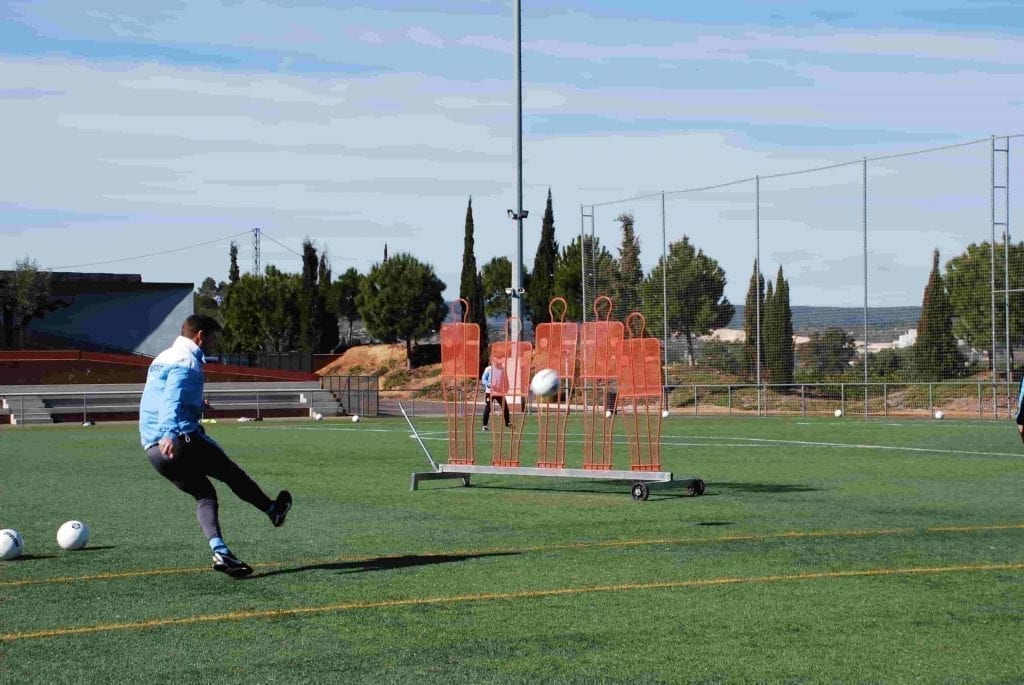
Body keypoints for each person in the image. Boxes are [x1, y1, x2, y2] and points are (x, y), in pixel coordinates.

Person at [139, 314, 291, 578]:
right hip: (179, 440)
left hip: (153, 451)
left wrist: (196, 406)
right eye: (213, 337)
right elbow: (171, 400)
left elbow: (159, 397)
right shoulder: (187, 361)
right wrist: (169, 433)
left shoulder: (161, 358)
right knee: (231, 473)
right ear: (201, 336)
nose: (213, 343)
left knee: (205, 495)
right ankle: (273, 510)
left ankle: (220, 551)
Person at [480, 361, 510, 431]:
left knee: (505, 407)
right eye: (497, 362)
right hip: (490, 392)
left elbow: (506, 379)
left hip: (499, 392)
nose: (499, 364)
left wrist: (507, 387)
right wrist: (487, 384)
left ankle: (507, 422)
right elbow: (483, 379)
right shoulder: (488, 369)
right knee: (488, 407)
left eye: (500, 362)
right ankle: (485, 425)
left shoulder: (503, 369)